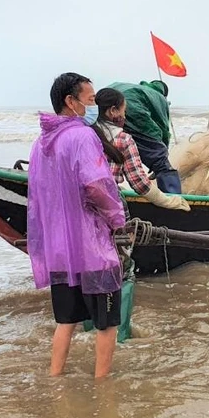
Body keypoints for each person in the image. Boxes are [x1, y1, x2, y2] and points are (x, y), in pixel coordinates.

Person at [27, 72, 127, 378]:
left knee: (66, 321)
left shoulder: (41, 143)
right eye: (91, 100)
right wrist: (117, 217)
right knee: (107, 323)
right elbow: (97, 185)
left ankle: (55, 377)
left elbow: (38, 196)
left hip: (59, 250)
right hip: (91, 247)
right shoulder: (83, 136)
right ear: (71, 102)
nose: (93, 106)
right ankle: (102, 387)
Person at [91, 87, 190, 212]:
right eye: (124, 111)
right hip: (106, 207)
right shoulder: (123, 139)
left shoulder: (84, 133)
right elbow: (139, 183)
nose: (125, 116)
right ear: (113, 111)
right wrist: (168, 201)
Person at [109, 80, 182, 194]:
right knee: (159, 160)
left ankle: (110, 190)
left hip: (104, 109)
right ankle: (174, 198)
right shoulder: (159, 97)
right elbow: (163, 128)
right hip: (133, 112)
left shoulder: (134, 87)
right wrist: (161, 157)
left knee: (108, 153)